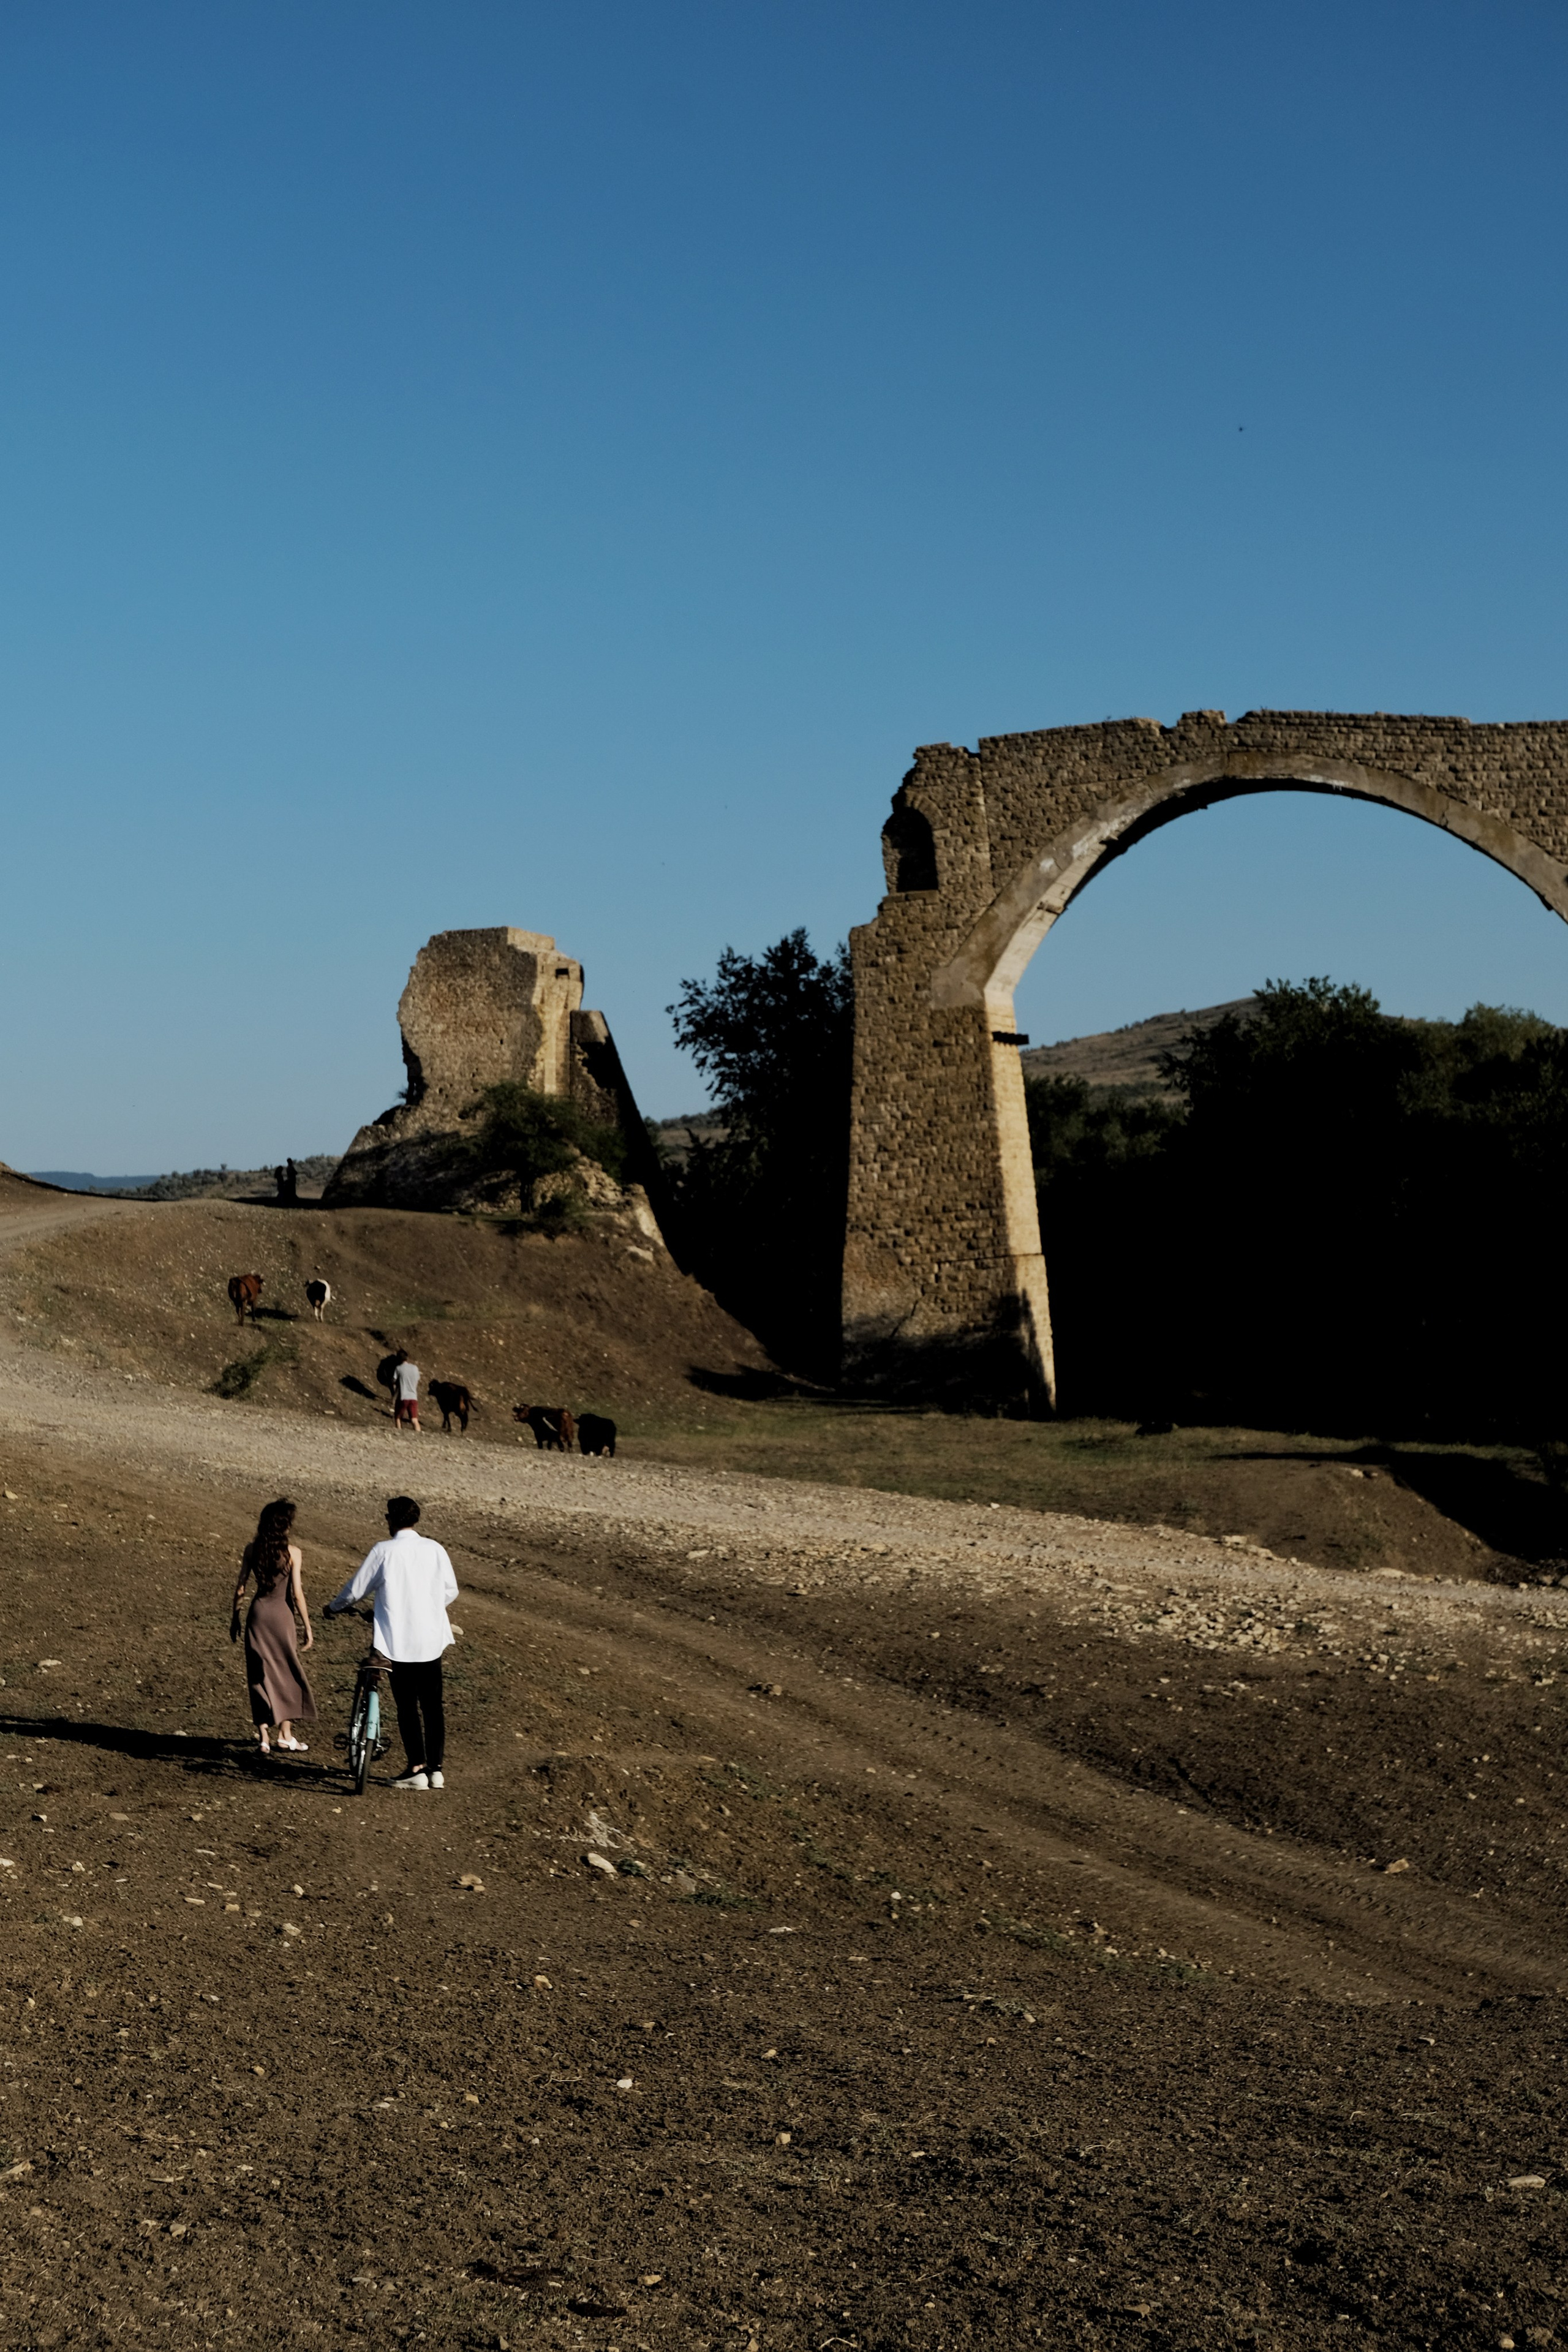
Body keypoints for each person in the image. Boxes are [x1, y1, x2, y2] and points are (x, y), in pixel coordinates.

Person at [324, 1496, 457, 1790]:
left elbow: (355, 1590)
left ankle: (416, 1767)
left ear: (391, 1520)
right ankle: (436, 1769)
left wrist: (333, 1607)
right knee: (433, 1706)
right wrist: (429, 1607)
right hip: (432, 1638)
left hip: (398, 1640)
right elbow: (451, 1590)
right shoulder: (435, 1549)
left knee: (407, 1705)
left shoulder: (384, 1551)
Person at [231, 1497, 317, 1757]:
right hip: (283, 1617)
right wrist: (308, 1626)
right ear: (285, 1525)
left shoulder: (252, 1549)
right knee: (287, 1673)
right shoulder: (294, 1553)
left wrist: (235, 1618)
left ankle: (264, 1738)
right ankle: (286, 1735)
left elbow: (241, 1587)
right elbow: (297, 1594)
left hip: (258, 1615)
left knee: (258, 1675)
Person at [391, 1349, 421, 1434]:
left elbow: (393, 1380)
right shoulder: (415, 1368)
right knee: (414, 1420)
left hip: (403, 1397)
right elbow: (417, 1380)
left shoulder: (398, 1368)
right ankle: (419, 1436)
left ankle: (399, 1434)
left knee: (398, 1417)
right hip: (414, 1397)